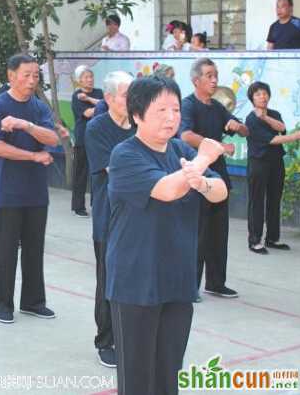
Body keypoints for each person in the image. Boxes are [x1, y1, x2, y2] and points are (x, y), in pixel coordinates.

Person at [107, 75, 227, 395]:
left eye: (175, 109)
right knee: (137, 379)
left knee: (168, 376)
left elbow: (220, 191)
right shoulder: (125, 155)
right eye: (161, 110)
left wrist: (202, 181)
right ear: (137, 115)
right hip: (136, 281)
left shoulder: (180, 149)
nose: (171, 117)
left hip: (177, 279)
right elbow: (166, 189)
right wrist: (203, 158)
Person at [0, 54, 59, 324]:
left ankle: (33, 301)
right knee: (5, 250)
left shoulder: (39, 108)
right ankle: (3, 304)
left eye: (35, 75)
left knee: (34, 248)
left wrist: (25, 125)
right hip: (7, 192)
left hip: (36, 192)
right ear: (11, 76)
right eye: (26, 75)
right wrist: (32, 156)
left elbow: (52, 138)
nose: (31, 80)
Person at [180, 58, 249, 298]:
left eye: (216, 75)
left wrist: (237, 126)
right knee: (197, 233)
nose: (214, 80)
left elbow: (244, 129)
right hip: (196, 176)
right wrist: (218, 146)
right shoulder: (187, 105)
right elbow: (186, 135)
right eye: (209, 75)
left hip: (219, 177)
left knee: (219, 233)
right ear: (195, 80)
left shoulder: (217, 107)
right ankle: (190, 287)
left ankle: (216, 283)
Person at [84, 71, 134, 368]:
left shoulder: (140, 125)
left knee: (133, 278)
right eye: (127, 95)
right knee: (108, 280)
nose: (131, 101)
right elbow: (114, 172)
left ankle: (129, 336)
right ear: (110, 98)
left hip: (139, 217)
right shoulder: (97, 128)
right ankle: (105, 340)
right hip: (109, 217)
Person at [245, 81, 300, 254]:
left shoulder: (274, 114)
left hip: (276, 162)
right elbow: (272, 139)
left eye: (264, 93)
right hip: (258, 163)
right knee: (257, 202)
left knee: (274, 200)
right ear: (252, 98)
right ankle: (255, 241)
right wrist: (297, 136)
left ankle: (272, 238)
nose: (262, 97)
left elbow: (282, 128)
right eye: (258, 94)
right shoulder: (250, 119)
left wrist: (265, 117)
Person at [71, 65, 104, 217]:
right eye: (86, 77)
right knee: (81, 173)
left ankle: (96, 204)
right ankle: (78, 207)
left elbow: (107, 105)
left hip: (99, 138)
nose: (89, 80)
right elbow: (89, 113)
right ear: (79, 80)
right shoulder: (77, 95)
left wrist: (90, 99)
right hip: (83, 138)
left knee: (98, 172)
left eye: (91, 76)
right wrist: (99, 105)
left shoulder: (98, 93)